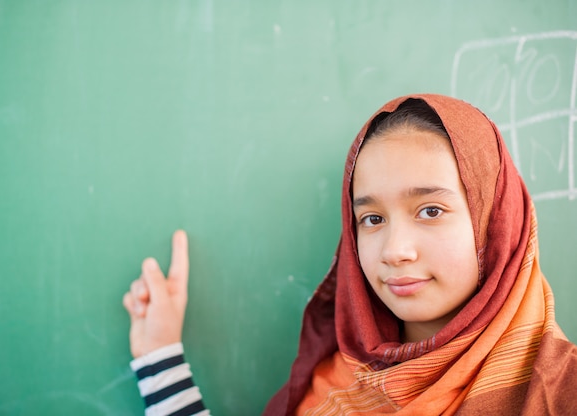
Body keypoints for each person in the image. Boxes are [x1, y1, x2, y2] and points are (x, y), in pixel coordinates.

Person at [123, 94, 577, 415]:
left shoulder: (562, 393)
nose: (395, 251)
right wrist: (159, 354)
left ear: (496, 222)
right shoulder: (335, 391)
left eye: (431, 210)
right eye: (372, 219)